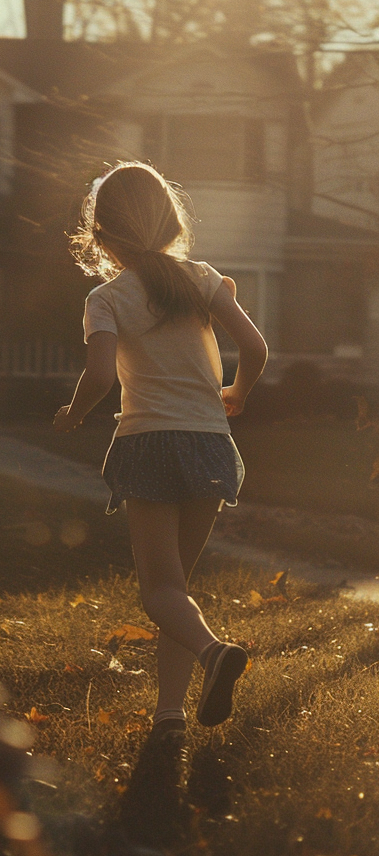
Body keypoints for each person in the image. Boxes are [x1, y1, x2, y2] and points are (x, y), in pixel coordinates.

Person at [53, 163, 268, 732]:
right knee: (180, 588)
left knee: (161, 590)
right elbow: (254, 345)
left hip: (150, 444)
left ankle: (213, 654)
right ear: (171, 223)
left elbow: (100, 378)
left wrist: (74, 414)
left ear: (101, 237)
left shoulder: (107, 298)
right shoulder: (201, 279)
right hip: (208, 442)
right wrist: (237, 394)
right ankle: (170, 714)